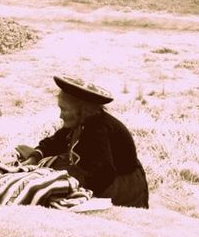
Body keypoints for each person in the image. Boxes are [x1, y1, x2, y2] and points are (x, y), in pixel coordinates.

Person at [16, 76, 149, 208]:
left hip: (118, 183)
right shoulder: (82, 121)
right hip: (96, 172)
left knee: (50, 185)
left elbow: (104, 173)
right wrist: (35, 156)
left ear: (83, 110)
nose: (60, 115)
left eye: (64, 110)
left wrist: (79, 191)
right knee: (34, 160)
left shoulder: (97, 131)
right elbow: (56, 142)